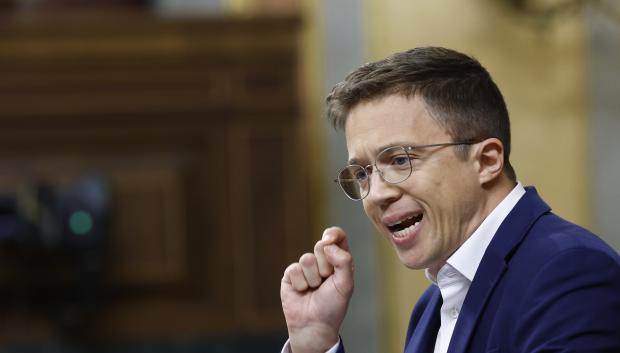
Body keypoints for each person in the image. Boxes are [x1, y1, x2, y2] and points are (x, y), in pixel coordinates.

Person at [279, 46, 620, 353]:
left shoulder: (569, 271)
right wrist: (315, 343)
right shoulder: (430, 307)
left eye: (400, 160)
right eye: (364, 172)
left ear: (486, 161)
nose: (378, 194)